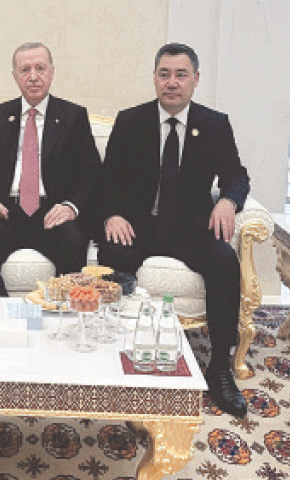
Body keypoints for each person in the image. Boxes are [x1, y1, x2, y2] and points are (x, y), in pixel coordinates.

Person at [98, 43, 250, 417]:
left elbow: (236, 176)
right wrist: (112, 215)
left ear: (195, 80)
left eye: (181, 75)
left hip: (190, 228)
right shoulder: (131, 121)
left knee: (224, 260)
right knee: (112, 253)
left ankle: (219, 367)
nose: (172, 83)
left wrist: (228, 200)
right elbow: (106, 180)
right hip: (139, 225)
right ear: (154, 78)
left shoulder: (215, 124)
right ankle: (113, 355)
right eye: (164, 74)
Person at [0, 42, 101, 295]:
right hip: (5, 210)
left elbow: (90, 172)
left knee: (73, 243)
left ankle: (59, 317)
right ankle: (3, 317)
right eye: (25, 70)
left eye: (40, 68)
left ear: (52, 72)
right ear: (15, 76)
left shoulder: (73, 116)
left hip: (52, 210)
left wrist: (71, 207)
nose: (33, 77)